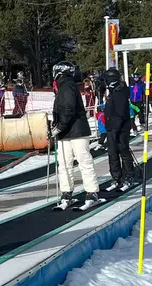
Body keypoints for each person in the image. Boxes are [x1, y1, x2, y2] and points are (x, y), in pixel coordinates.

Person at [50, 61, 101, 210]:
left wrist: (59, 126)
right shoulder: (62, 87)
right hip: (66, 132)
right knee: (64, 163)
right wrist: (56, 124)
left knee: (83, 161)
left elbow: (68, 109)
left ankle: (91, 192)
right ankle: (67, 192)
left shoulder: (67, 86)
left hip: (76, 131)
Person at [102, 68, 137, 191]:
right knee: (112, 153)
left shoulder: (121, 91)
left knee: (123, 151)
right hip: (112, 127)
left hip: (121, 127)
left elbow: (120, 112)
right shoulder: (112, 91)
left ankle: (129, 176)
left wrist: (116, 128)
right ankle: (116, 177)